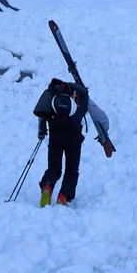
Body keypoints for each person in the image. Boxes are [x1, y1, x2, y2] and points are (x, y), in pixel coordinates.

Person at [33, 76, 89, 206]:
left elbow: (42, 114)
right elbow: (99, 115)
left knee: (54, 167)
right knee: (72, 169)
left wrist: (41, 132)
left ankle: (47, 187)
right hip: (74, 136)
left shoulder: (53, 92)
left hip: (55, 133)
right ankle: (63, 195)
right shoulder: (81, 94)